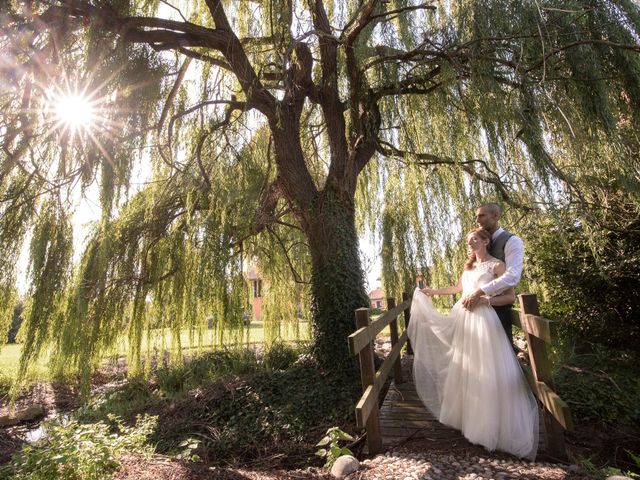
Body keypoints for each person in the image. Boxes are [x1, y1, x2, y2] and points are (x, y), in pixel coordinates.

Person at [408, 227, 538, 459]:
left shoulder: (497, 266)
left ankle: (489, 427)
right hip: (464, 322)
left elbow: (508, 296)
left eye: (474, 240)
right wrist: (431, 291)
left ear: (486, 241)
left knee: (486, 370)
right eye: (468, 241)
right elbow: (458, 289)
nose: (470, 244)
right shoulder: (469, 267)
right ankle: (467, 420)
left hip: (484, 322)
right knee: (465, 368)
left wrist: (483, 300)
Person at [462, 203, 524, 345]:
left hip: (498, 311)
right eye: (476, 217)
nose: (477, 220)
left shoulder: (512, 241)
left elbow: (513, 276)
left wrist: (480, 292)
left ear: (495, 216)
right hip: (474, 311)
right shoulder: (478, 242)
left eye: (482, 216)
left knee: (500, 355)